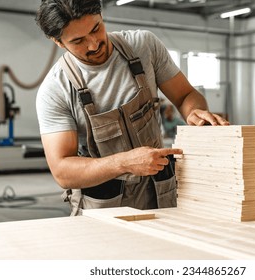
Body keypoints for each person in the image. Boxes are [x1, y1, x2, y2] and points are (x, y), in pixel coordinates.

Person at [35, 0, 229, 215]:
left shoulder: (144, 46)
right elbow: (63, 172)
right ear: (58, 41)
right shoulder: (55, 89)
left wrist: (193, 112)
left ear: (101, 15)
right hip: (104, 207)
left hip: (162, 194)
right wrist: (124, 163)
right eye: (78, 40)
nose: (93, 44)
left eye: (96, 28)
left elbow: (185, 95)